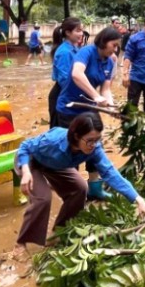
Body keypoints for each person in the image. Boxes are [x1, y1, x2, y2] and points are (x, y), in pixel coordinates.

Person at [14, 112, 145, 253]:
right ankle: (21, 243)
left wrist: (139, 200)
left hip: (56, 165)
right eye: (90, 140)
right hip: (30, 162)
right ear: (76, 136)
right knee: (43, 199)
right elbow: (25, 146)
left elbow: (111, 173)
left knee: (81, 188)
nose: (93, 145)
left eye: (97, 139)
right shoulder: (53, 141)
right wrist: (26, 171)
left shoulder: (95, 149)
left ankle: (59, 232)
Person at [56, 27, 121, 200]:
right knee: (72, 148)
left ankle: (94, 187)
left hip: (90, 110)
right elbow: (77, 74)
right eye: (113, 45)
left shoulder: (109, 62)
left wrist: (112, 107)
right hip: (69, 109)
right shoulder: (86, 52)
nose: (115, 49)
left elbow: (106, 90)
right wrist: (96, 96)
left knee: (93, 144)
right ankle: (72, 191)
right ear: (103, 41)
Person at [49, 18, 84, 130]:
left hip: (70, 93)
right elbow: (64, 80)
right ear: (68, 33)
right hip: (62, 95)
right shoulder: (64, 52)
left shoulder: (75, 48)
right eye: (78, 31)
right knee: (61, 133)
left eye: (82, 30)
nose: (81, 33)